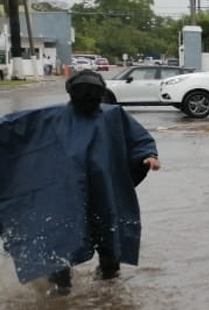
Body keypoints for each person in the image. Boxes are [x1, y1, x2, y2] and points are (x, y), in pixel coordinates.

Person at [0, 69, 161, 294]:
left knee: (109, 238)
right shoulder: (50, 117)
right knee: (61, 236)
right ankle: (62, 291)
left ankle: (106, 290)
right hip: (65, 191)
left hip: (103, 190)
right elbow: (10, 129)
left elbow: (138, 138)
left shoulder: (113, 116)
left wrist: (148, 155)